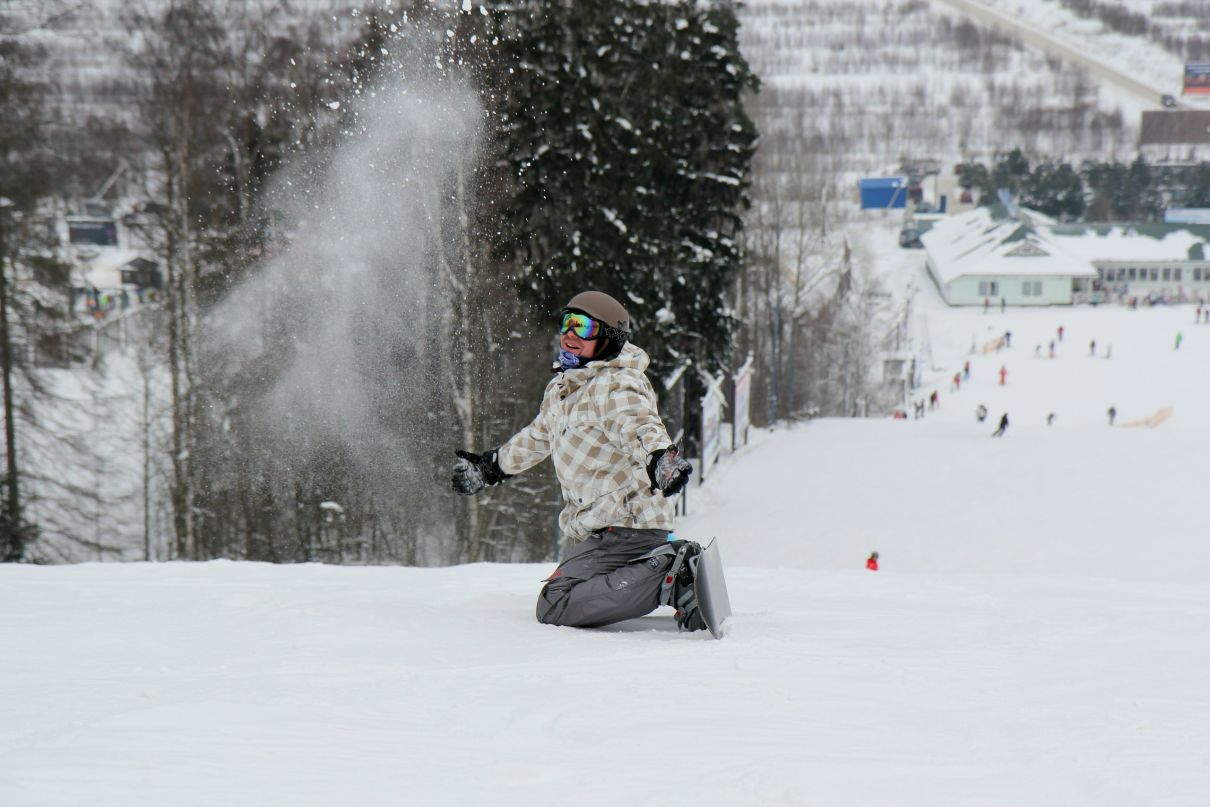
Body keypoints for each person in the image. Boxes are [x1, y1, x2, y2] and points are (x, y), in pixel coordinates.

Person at [451, 290, 698, 631]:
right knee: (564, 593)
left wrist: (661, 460)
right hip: (602, 529)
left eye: (581, 327)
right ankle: (663, 570)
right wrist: (489, 467)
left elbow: (639, 424)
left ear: (608, 338)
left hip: (628, 525)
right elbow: (538, 437)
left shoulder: (616, 383)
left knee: (557, 602)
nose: (570, 334)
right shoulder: (564, 390)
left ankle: (671, 573)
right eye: (567, 323)